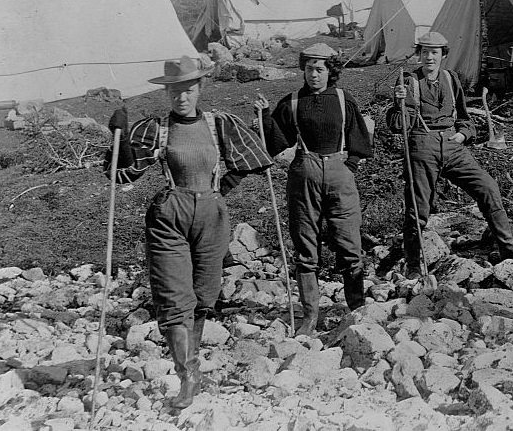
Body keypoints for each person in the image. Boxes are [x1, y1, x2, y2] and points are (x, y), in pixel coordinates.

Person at [106, 55, 272, 411]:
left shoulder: (219, 124)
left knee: (203, 294)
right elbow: (122, 176)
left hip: (212, 216)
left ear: (199, 88)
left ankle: (192, 358)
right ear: (167, 93)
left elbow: (254, 160)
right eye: (175, 91)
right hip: (170, 216)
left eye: (188, 89)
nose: (182, 97)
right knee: (173, 296)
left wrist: (222, 188)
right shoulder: (157, 129)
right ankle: (188, 375)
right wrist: (117, 143)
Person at [387, 31, 513, 275]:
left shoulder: (450, 78)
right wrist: (399, 102)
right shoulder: (408, 81)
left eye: (434, 53)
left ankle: (507, 248)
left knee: (487, 186)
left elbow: (465, 118)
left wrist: (463, 135)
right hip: (423, 145)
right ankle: (414, 265)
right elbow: (397, 124)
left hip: (453, 145)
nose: (429, 58)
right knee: (418, 207)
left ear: (443, 55)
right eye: (424, 52)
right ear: (419, 55)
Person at [255, 43, 373, 337]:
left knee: (349, 240)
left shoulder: (344, 100)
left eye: (320, 69)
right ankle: (310, 317)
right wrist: (265, 115)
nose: (314, 75)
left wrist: (350, 166)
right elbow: (275, 142)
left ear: (331, 71)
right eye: (309, 69)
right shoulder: (293, 101)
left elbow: (358, 138)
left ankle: (356, 308)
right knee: (305, 245)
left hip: (339, 173)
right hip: (303, 174)